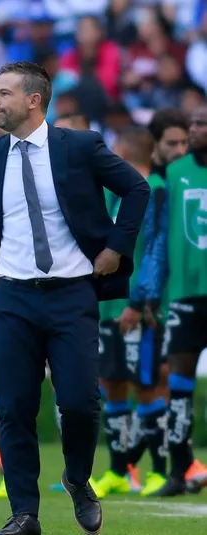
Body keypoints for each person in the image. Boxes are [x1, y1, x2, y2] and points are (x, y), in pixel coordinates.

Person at [0, 61, 149, 535]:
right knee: (14, 407)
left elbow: (136, 188)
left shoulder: (79, 146)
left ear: (33, 100)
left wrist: (116, 248)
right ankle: (24, 513)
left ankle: (77, 478)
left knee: (80, 402)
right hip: (11, 297)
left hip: (72, 294)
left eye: (4, 93)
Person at [92, 126, 172, 498]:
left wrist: (140, 301)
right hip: (110, 304)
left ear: (122, 153)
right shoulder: (117, 193)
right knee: (113, 384)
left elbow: (155, 249)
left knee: (146, 384)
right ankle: (118, 470)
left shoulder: (154, 190)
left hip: (137, 306)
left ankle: (159, 470)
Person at [134, 105, 207, 497]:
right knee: (178, 383)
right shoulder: (172, 176)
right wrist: (151, 291)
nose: (195, 129)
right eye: (193, 123)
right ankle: (180, 469)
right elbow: (159, 238)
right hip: (184, 293)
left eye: (201, 123)